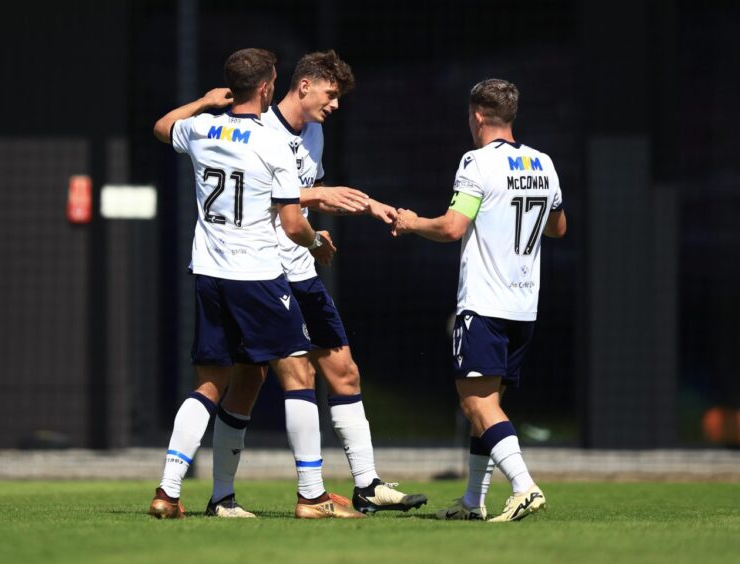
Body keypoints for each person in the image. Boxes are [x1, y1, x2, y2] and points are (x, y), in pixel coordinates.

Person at [205, 50, 428, 518]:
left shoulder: (316, 134)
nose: (335, 105)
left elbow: (307, 200)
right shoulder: (258, 129)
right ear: (304, 85)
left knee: (344, 371)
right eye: (331, 94)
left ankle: (366, 485)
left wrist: (368, 206)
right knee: (249, 380)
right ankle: (229, 495)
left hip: (301, 269)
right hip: (262, 273)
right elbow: (254, 197)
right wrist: (315, 197)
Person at [147, 48, 363, 520]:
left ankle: (172, 492)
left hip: (208, 273)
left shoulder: (202, 129)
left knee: (210, 386)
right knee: (299, 375)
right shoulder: (272, 144)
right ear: (267, 87)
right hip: (258, 277)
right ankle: (311, 496)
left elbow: (163, 126)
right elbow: (291, 223)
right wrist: (315, 242)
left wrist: (203, 102)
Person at [393, 78, 566, 522]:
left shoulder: (476, 162)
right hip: (524, 306)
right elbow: (558, 227)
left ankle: (524, 486)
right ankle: (472, 501)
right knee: (486, 406)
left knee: (476, 403)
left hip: (486, 303)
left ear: (478, 116)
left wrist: (412, 224)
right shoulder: (544, 162)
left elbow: (452, 228)